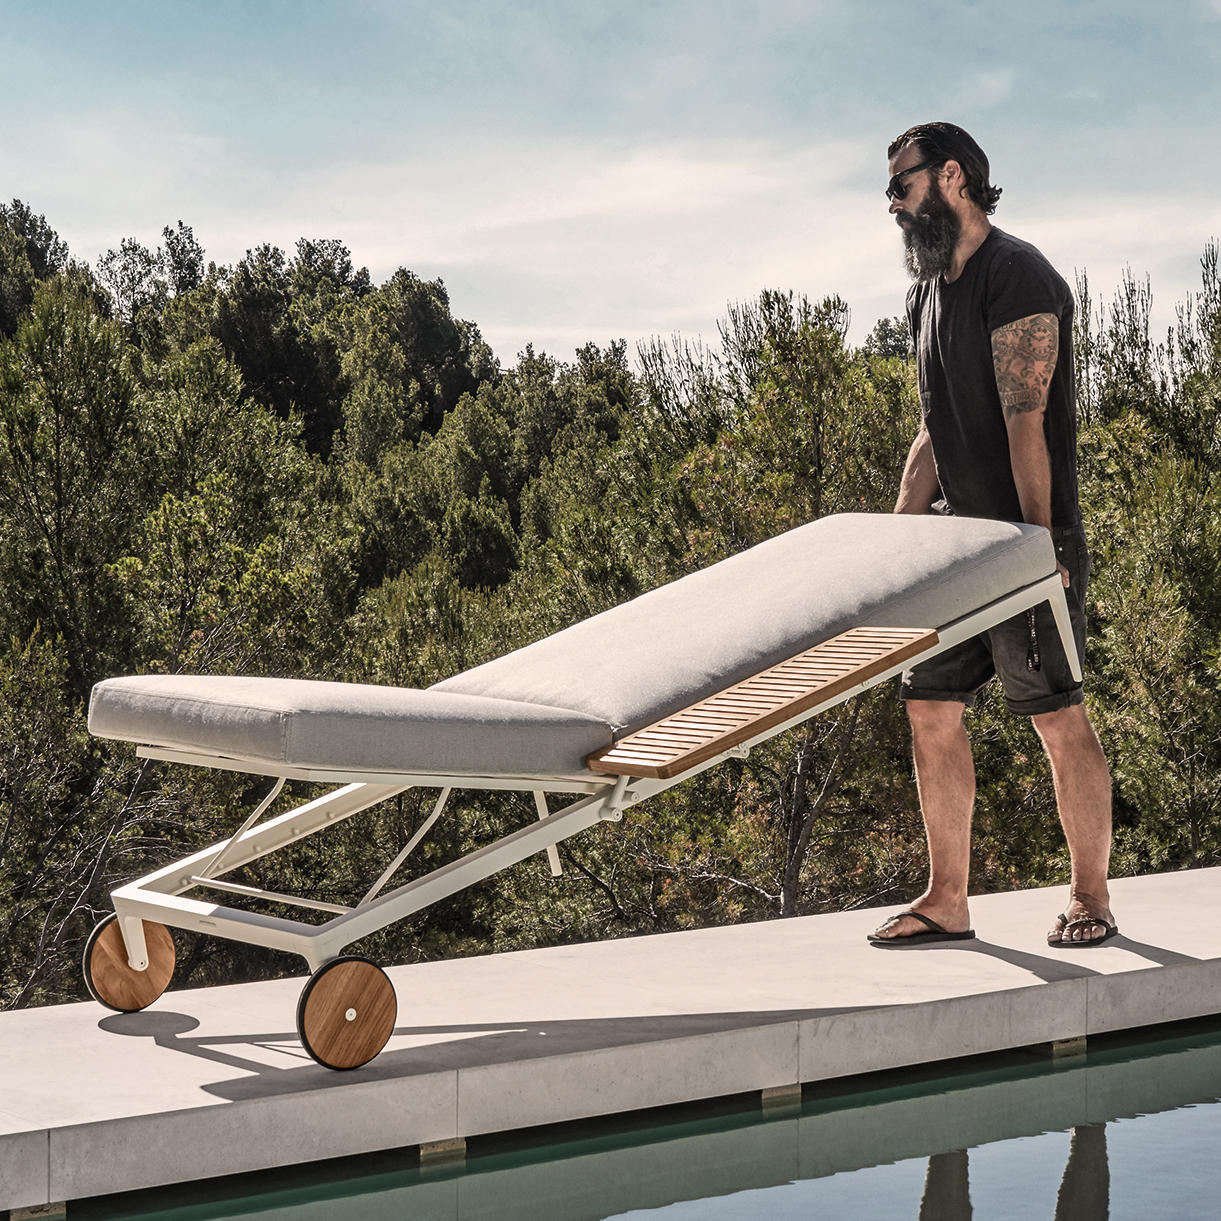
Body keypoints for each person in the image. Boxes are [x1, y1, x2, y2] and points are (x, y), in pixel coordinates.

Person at [868, 122, 1116, 949]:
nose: (892, 205)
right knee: (928, 706)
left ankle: (1089, 897)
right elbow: (931, 431)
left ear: (950, 177)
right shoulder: (925, 293)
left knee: (1055, 716)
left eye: (900, 186)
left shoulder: (1017, 275)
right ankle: (947, 899)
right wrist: (892, 549)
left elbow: (1025, 422)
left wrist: (1035, 549)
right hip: (951, 548)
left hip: (1024, 544)